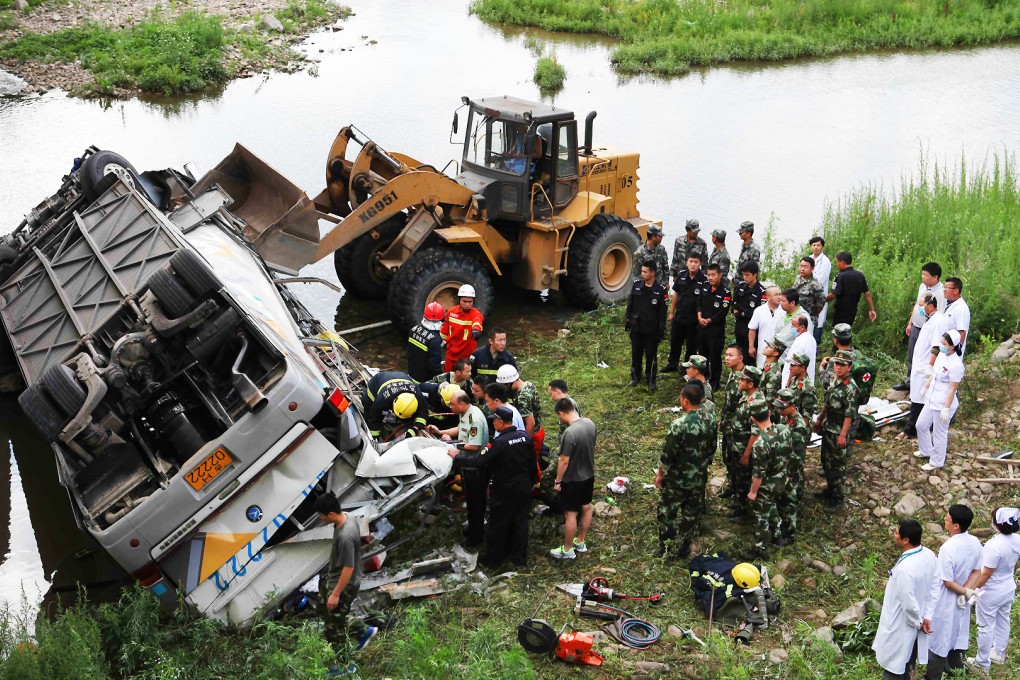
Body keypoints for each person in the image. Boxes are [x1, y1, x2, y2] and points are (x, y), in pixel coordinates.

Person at [448, 405, 535, 568]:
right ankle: (519, 559)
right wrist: (529, 484)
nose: (493, 424)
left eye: (494, 421)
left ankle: (493, 560)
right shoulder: (525, 437)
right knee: (520, 523)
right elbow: (532, 465)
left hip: (505, 490)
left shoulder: (499, 443)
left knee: (498, 525)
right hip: (523, 487)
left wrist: (457, 457)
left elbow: (481, 461)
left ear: (501, 422)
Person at [655, 381, 716, 559]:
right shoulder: (710, 420)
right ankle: (684, 546)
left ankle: (666, 546)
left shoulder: (679, 424)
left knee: (667, 511)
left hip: (677, 479)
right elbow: (712, 448)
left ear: (686, 400)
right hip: (699, 476)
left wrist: (660, 475)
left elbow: (667, 455)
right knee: (691, 513)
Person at [922, 504, 982, 680]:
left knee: (939, 640)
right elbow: (977, 571)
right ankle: (957, 672)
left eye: (947, 518)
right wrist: (967, 592)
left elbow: (947, 582)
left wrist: (963, 591)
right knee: (959, 636)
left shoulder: (948, 548)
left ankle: (932, 676)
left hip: (946, 601)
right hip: (962, 599)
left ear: (955, 525)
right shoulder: (975, 542)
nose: (944, 520)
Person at [872, 519, 938, 680]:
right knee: (907, 662)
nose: (894, 534)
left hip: (902, 623)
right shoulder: (928, 554)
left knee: (894, 666)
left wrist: (918, 622)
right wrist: (927, 616)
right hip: (919, 618)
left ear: (906, 540)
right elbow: (935, 586)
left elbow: (908, 603)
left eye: (896, 532)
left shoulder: (905, 568)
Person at [314, 493, 377, 652]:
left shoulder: (345, 536)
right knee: (323, 609)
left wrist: (335, 594)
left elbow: (348, 568)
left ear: (331, 514)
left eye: (322, 516)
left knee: (333, 628)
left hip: (344, 584)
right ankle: (359, 629)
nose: (321, 519)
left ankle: (343, 663)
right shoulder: (347, 517)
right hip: (334, 578)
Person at [430, 390, 489, 546]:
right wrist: (441, 432)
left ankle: (475, 537)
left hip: (475, 466)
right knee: (471, 499)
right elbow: (460, 429)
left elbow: (474, 445)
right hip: (468, 462)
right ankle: (473, 526)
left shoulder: (475, 418)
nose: (450, 406)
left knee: (475, 501)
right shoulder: (466, 413)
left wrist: (454, 446)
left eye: (452, 404)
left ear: (462, 404)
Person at [965, 507, 1020, 673]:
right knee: (1003, 619)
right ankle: (998, 652)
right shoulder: (1017, 539)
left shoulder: (993, 546)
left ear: (997, 524)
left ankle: (982, 662)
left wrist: (973, 590)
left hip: (992, 591)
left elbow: (986, 573)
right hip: (1008, 586)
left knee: (985, 625)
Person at [743, 397, 790, 560]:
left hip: (767, 484)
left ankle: (760, 549)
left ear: (753, 419)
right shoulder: (784, 429)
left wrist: (753, 492)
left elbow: (758, 473)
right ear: (769, 413)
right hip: (781, 478)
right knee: (772, 505)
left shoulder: (760, 444)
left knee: (761, 515)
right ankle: (777, 535)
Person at [550, 398, 596, 560]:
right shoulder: (590, 424)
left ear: (561, 413)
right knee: (587, 507)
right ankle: (581, 541)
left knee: (570, 514)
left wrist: (558, 481)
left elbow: (564, 460)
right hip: (588, 475)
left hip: (572, 479)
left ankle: (567, 550)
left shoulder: (569, 433)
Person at [900, 294, 950, 440]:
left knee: (921, 400)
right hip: (919, 364)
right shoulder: (930, 319)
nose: (919, 308)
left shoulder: (938, 321)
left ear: (930, 305)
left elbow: (937, 345)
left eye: (921, 305)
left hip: (926, 367)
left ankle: (911, 429)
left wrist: (930, 365)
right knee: (917, 397)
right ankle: (916, 427)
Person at [814, 350, 859, 508]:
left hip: (840, 428)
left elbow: (850, 414)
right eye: (836, 364)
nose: (838, 367)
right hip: (828, 425)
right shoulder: (834, 379)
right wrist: (819, 419)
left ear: (850, 367)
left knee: (837, 465)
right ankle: (830, 489)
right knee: (825, 460)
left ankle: (837, 498)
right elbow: (827, 402)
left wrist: (843, 435)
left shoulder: (851, 388)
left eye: (842, 365)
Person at [915, 330, 964, 471]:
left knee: (939, 433)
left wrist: (946, 408)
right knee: (921, 425)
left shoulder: (956, 365)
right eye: (941, 342)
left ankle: (936, 461)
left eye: (944, 343)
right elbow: (934, 375)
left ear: (952, 346)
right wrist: (925, 388)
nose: (941, 345)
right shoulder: (942, 355)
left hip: (943, 402)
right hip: (932, 398)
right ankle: (926, 451)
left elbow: (952, 389)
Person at [894, 262, 945, 392]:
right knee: (912, 355)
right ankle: (909, 382)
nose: (923, 277)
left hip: (926, 330)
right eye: (922, 274)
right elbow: (917, 305)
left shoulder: (940, 292)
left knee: (923, 358)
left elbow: (939, 313)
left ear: (935, 277)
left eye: (926, 275)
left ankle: (923, 385)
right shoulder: (923, 286)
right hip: (916, 326)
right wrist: (910, 323)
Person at [773, 388, 810, 545]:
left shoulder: (798, 425)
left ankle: (789, 533)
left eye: (782, 407)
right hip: (784, 465)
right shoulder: (786, 418)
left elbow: (797, 454)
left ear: (793, 405)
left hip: (791, 468)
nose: (779, 410)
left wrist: (789, 473)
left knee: (789, 500)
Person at [625, 261, 668, 389]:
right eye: (642, 271)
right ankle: (635, 377)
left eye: (645, 272)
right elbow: (630, 305)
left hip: (651, 330)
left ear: (653, 273)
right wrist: (628, 320)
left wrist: (661, 330)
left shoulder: (660, 291)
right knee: (636, 354)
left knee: (651, 356)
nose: (642, 274)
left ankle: (651, 379)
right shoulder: (637, 286)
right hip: (637, 328)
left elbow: (662, 313)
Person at [729, 366, 763, 519]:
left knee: (744, 480)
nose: (739, 381)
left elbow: (756, 432)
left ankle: (744, 512)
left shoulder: (757, 402)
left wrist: (747, 454)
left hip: (746, 448)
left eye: (742, 379)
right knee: (738, 477)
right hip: (737, 444)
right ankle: (739, 503)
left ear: (751, 384)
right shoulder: (746, 396)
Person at [664, 254, 708, 372]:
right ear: (686, 262)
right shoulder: (681, 276)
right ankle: (672, 364)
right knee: (675, 342)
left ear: (700, 264)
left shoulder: (704, 279)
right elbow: (676, 295)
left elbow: (705, 300)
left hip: (694, 319)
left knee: (691, 346)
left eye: (696, 262)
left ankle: (687, 368)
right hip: (680, 316)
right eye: (691, 261)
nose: (693, 264)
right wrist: (671, 312)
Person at [362, 371, 428, 439]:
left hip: (401, 377)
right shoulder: (382, 399)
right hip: (377, 383)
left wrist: (413, 430)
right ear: (394, 402)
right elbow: (374, 418)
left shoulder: (418, 395)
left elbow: (424, 414)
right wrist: (374, 437)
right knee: (368, 409)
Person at [697, 263, 731, 391]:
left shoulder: (725, 293)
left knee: (715, 356)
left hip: (715, 330)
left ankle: (714, 381)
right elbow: (698, 302)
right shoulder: (704, 287)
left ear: (720, 275)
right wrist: (700, 317)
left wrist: (709, 320)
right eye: (708, 275)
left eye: (713, 275)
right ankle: (703, 378)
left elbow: (722, 312)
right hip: (702, 328)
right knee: (702, 354)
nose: (710, 278)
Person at [500, 364, 545, 462]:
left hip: (532, 435)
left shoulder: (522, 398)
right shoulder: (529, 385)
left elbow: (530, 423)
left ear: (509, 383)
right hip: (538, 431)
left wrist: (524, 444)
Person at [718, 345, 746, 502]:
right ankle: (732, 486)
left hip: (739, 429)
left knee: (738, 463)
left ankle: (740, 497)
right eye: (726, 354)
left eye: (731, 355)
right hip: (728, 425)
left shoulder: (745, 378)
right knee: (728, 458)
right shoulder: (733, 374)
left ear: (740, 358)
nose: (727, 358)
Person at [826, 251, 877, 327]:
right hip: (853, 311)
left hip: (841, 311)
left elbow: (833, 295)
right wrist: (872, 310)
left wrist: (821, 300)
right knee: (847, 332)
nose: (837, 265)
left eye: (837, 262)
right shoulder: (860, 275)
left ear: (842, 262)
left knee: (837, 333)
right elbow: (867, 294)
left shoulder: (841, 276)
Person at [440, 284, 484, 371]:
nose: (467, 304)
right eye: (464, 301)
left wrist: (476, 330)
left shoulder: (475, 314)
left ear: (473, 302)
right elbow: (445, 329)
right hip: (451, 355)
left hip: (466, 357)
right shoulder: (451, 312)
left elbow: (477, 322)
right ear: (459, 299)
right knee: (448, 379)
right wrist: (441, 342)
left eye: (470, 302)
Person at [732, 261, 765, 364]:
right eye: (743, 274)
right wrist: (738, 311)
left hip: (752, 331)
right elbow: (734, 306)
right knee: (739, 356)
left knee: (749, 359)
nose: (745, 277)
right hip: (739, 327)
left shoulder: (761, 291)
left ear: (755, 275)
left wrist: (743, 312)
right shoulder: (740, 287)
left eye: (747, 275)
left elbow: (759, 313)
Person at [407, 302, 445, 382]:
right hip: (424, 379)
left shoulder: (414, 329)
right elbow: (434, 365)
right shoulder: (435, 339)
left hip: (411, 373)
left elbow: (409, 352)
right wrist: (440, 377)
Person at [774, 289, 814, 361]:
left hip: (792, 360)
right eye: (780, 300)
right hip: (778, 358)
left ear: (792, 303)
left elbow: (806, 340)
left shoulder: (803, 318)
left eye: (783, 301)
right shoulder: (782, 313)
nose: (781, 303)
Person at [748, 283, 781, 368]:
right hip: (764, 347)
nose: (779, 297)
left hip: (780, 349)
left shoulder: (784, 310)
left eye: (780, 294)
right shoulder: (759, 310)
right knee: (763, 370)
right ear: (768, 297)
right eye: (776, 295)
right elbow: (752, 329)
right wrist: (751, 346)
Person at [782, 314, 817, 385]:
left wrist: (787, 383)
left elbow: (795, 364)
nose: (791, 328)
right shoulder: (808, 338)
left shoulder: (802, 342)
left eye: (793, 325)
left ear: (802, 327)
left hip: (796, 384)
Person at [670, 219, 708, 283]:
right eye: (694, 232)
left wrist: (704, 279)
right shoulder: (679, 241)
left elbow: (704, 263)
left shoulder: (702, 243)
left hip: (695, 278)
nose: (696, 233)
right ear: (688, 230)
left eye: (697, 231)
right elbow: (675, 258)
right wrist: (674, 275)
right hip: (680, 276)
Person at [792, 256, 825, 331]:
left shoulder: (815, 284)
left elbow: (820, 303)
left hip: (809, 319)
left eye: (805, 267)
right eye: (801, 266)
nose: (802, 269)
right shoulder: (798, 278)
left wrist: (813, 314)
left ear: (812, 269)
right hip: (796, 316)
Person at [810, 236, 832, 344]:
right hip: (808, 297)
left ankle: (816, 349)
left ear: (822, 247)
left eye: (818, 245)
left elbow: (819, 280)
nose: (816, 247)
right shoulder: (809, 259)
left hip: (818, 296)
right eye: (814, 245)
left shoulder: (825, 262)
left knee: (817, 323)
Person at [819, 323, 855, 389]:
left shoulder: (834, 361)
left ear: (835, 340)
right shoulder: (857, 354)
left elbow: (827, 384)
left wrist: (821, 368)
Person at [784, 352, 818, 423]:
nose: (790, 368)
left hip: (799, 425)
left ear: (802, 368)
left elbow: (807, 414)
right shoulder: (794, 379)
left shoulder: (808, 387)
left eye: (793, 365)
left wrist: (801, 429)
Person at [942, 277, 970, 356]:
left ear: (956, 291)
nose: (944, 290)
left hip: (951, 352)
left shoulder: (961, 308)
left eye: (947, 288)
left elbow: (962, 332)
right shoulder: (948, 303)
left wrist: (955, 350)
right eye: (944, 287)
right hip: (943, 347)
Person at [759, 337, 786, 408]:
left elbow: (770, 399)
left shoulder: (774, 372)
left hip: (766, 411)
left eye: (769, 346)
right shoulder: (766, 364)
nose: (766, 347)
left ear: (776, 353)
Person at [733, 221, 760, 288]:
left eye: (741, 233)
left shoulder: (754, 249)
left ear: (748, 234)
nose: (739, 234)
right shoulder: (744, 245)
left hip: (746, 285)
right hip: (738, 283)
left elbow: (754, 270)